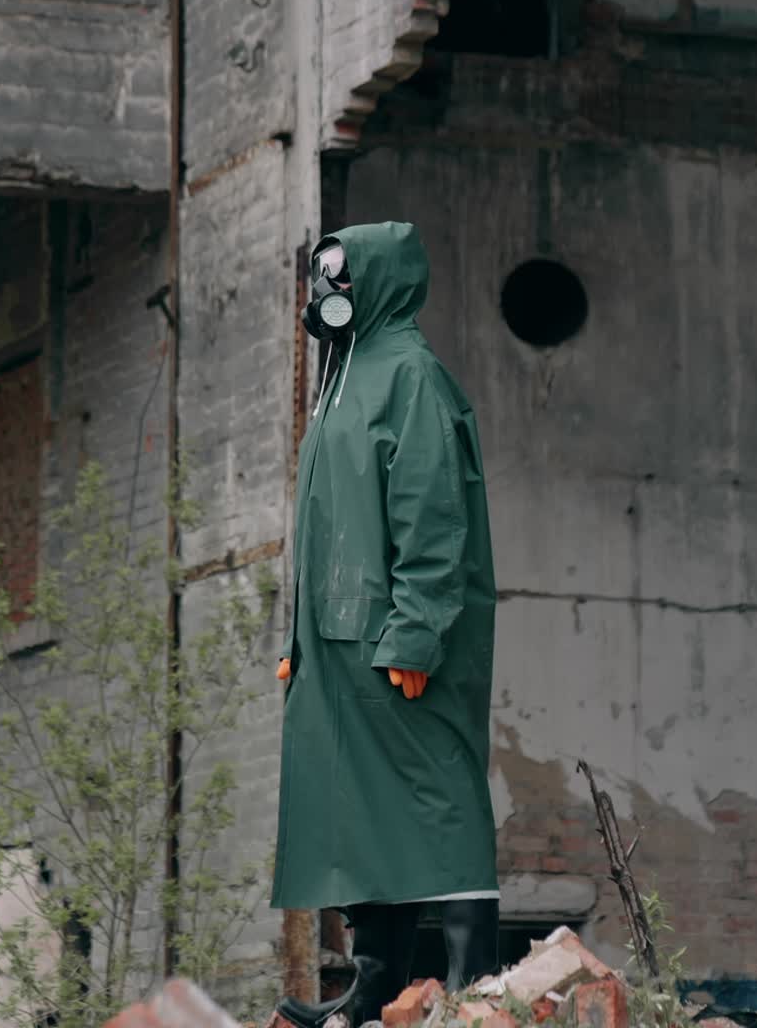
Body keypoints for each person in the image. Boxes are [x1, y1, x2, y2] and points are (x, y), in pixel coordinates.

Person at [272, 222, 499, 1028]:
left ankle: (476, 986)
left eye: (341, 278)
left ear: (380, 280)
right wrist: (300, 646)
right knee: (362, 814)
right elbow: (333, 526)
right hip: (341, 647)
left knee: (440, 799)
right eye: (321, 279)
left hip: (399, 641)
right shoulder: (348, 373)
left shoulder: (410, 376)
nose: (325, 296)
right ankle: (375, 991)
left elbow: (433, 519)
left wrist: (414, 631)